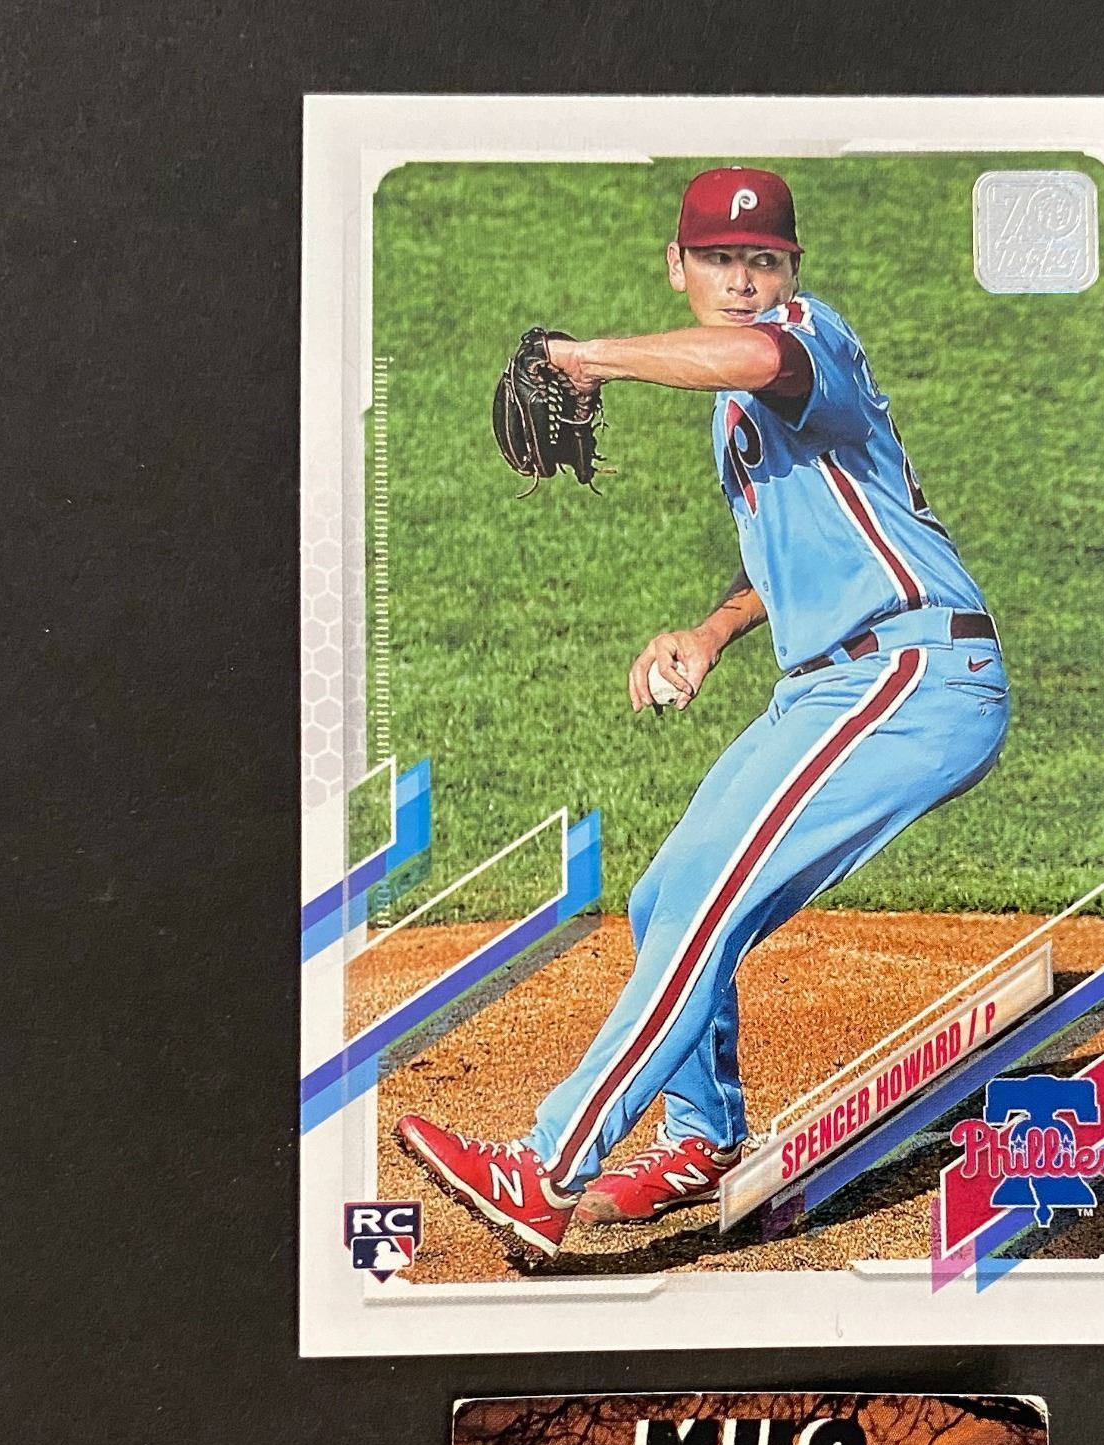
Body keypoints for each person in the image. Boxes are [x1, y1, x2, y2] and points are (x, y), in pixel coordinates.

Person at [398, 166, 1010, 1258]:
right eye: (719, 260)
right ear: (677, 264)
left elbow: (756, 355)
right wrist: (710, 634)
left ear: (790, 272)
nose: (741, 281)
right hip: (830, 683)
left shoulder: (805, 339)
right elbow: (790, 558)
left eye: (762, 261)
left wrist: (587, 358)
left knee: (709, 910)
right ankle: (704, 1139)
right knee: (666, 895)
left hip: (914, 676)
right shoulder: (737, 413)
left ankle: (547, 1168)